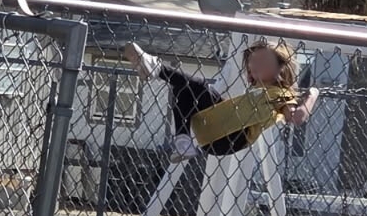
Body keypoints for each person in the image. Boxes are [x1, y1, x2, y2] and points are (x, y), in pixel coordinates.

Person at [124, 38, 319, 160]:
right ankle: (183, 142)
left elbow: (297, 117)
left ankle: (156, 68)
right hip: (214, 132)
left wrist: (312, 95)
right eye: (251, 64)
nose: (253, 68)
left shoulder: (282, 93)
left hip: (233, 137)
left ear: (279, 68)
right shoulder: (256, 91)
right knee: (183, 88)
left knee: (198, 86)